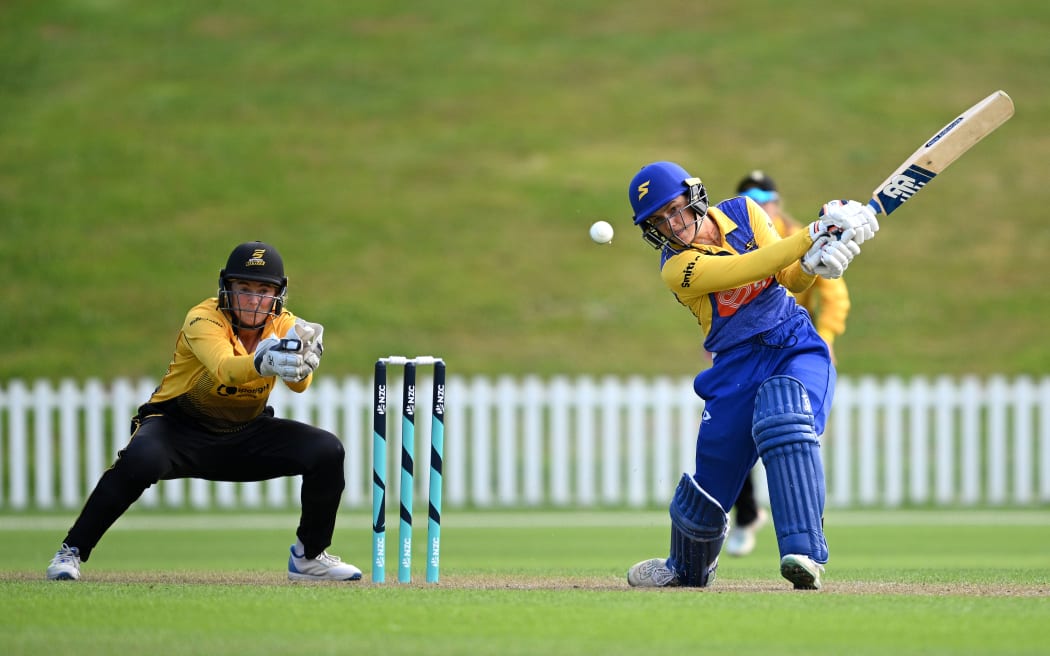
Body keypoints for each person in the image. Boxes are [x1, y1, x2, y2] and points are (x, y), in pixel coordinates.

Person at [623, 161, 877, 590]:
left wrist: (816, 263)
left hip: (793, 342)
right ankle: (685, 567)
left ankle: (804, 553)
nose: (672, 223)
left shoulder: (743, 212)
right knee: (710, 487)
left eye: (675, 208)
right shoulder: (676, 267)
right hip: (735, 364)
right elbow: (751, 268)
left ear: (693, 196)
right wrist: (815, 232)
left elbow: (787, 276)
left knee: (786, 417)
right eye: (659, 220)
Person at [46, 241, 361, 582]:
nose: (254, 299)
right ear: (226, 288)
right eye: (244, 288)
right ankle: (71, 551)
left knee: (327, 451)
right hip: (178, 428)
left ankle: (310, 558)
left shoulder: (285, 325)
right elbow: (225, 368)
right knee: (140, 460)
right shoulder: (202, 318)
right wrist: (264, 360)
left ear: (278, 294)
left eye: (264, 290)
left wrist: (303, 365)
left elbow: (300, 385)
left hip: (245, 432)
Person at [723, 170, 853, 558]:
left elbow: (833, 295)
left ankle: (808, 534)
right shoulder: (730, 242)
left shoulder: (802, 234)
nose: (760, 203)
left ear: (777, 202)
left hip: (794, 351)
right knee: (733, 433)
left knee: (791, 433)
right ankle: (747, 517)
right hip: (747, 351)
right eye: (751, 197)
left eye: (766, 196)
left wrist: (826, 337)